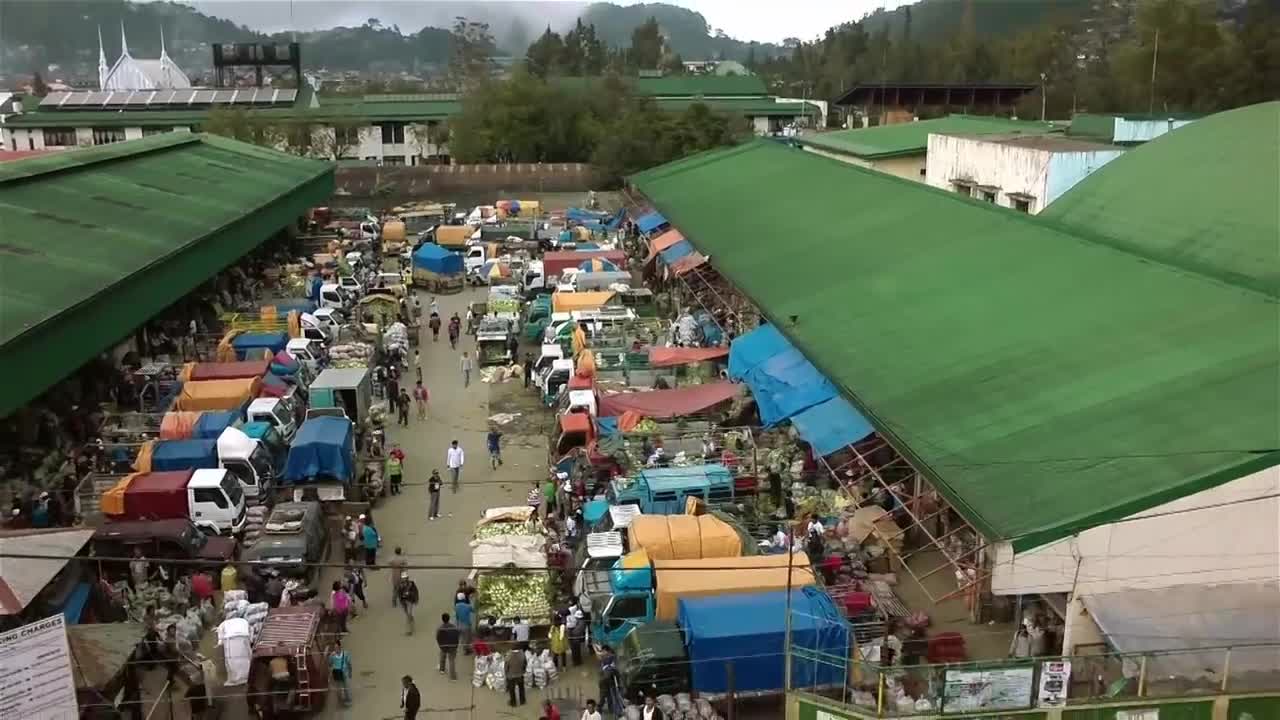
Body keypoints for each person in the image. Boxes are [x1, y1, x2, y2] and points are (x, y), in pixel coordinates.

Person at [435, 613, 460, 680]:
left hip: (444, 646)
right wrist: (456, 645)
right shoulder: (454, 627)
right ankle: (453, 677)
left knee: (442, 657)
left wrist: (440, 645)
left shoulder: (440, 628)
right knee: (451, 660)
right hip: (453, 646)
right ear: (449, 619)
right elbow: (457, 635)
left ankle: (442, 669)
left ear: (442, 619)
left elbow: (437, 637)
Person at [328, 640, 353, 706]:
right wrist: (330, 656)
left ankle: (348, 700)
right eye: (334, 648)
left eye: (336, 648)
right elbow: (330, 664)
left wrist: (350, 672)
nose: (335, 649)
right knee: (338, 690)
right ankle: (340, 701)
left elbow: (349, 664)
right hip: (336, 674)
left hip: (344, 673)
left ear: (340, 647)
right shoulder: (332, 656)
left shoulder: (346, 654)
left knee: (346, 688)